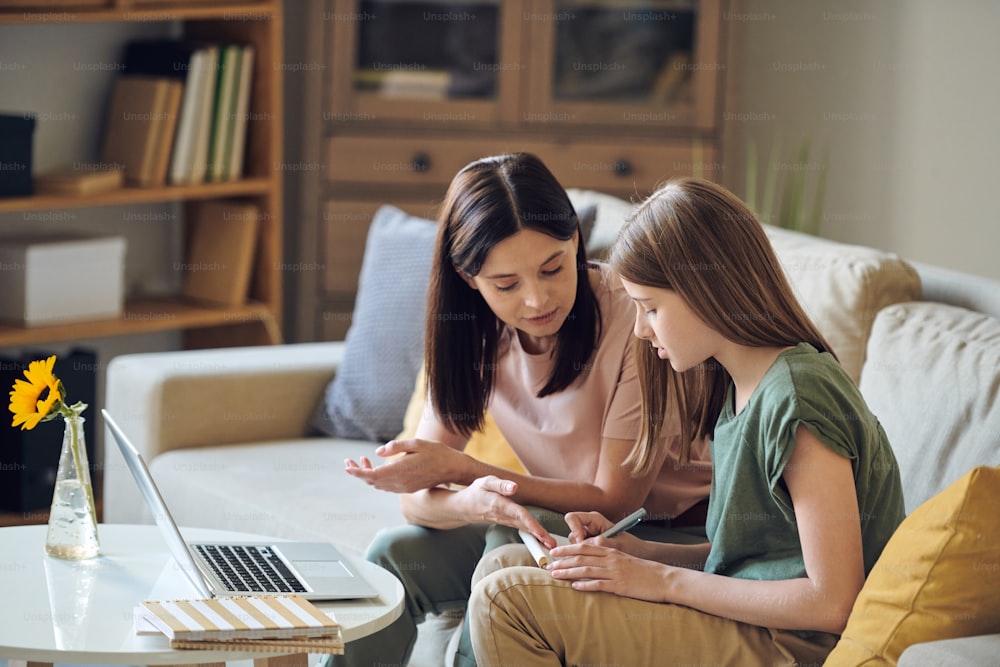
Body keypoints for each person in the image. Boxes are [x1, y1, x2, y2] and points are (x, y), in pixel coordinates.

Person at [467, 177, 906, 666]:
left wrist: (660, 581)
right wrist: (636, 553)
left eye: (651, 307)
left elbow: (833, 602)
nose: (639, 328)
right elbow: (744, 562)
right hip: (751, 619)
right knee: (501, 564)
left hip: (792, 643)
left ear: (707, 290)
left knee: (504, 601)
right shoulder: (737, 389)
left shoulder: (799, 395)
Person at [342, 154, 712, 667]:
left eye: (553, 268)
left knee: (504, 552)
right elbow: (417, 500)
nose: (537, 300)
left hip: (660, 531)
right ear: (469, 278)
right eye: (507, 285)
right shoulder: (470, 333)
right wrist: (474, 502)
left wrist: (468, 470)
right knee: (392, 554)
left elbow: (614, 499)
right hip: (557, 523)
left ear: (576, 243)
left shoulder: (636, 320)